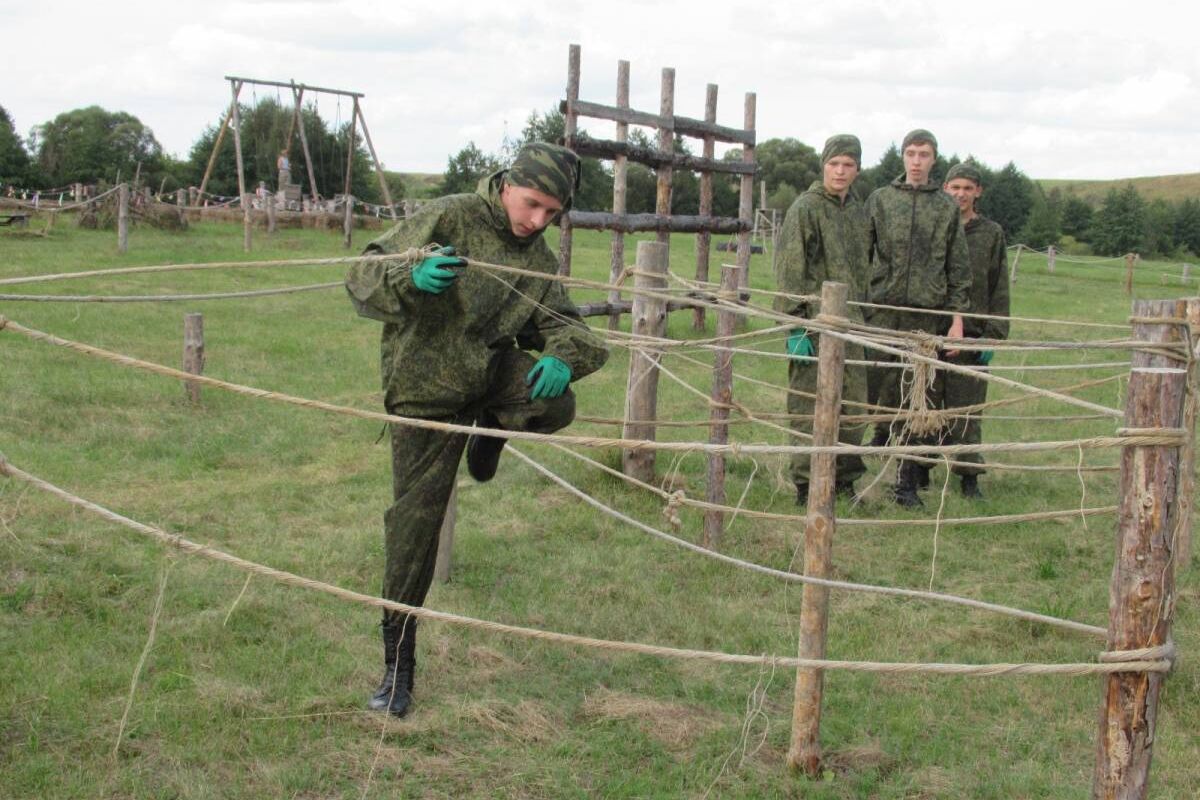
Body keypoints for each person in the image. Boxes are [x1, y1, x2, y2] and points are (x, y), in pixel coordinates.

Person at [344, 142, 609, 717]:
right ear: (509, 182)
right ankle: (397, 668)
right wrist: (412, 278)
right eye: (532, 203)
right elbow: (361, 275)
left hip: (488, 379)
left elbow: (572, 329)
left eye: (552, 214)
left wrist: (565, 354)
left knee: (556, 401)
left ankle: (492, 426)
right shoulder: (452, 214)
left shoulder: (536, 261)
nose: (537, 221)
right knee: (415, 525)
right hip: (425, 392)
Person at [866, 128, 971, 508]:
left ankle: (906, 483)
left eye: (923, 154)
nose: (915, 161)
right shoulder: (880, 200)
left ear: (933, 159)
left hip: (927, 315)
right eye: (910, 153)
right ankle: (854, 467)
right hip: (882, 311)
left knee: (918, 396)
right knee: (872, 386)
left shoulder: (945, 208)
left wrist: (956, 318)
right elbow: (863, 255)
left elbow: (958, 266)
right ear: (902, 157)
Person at [774, 134, 870, 504]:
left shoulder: (860, 212)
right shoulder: (806, 208)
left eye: (848, 164)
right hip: (813, 325)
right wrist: (795, 325)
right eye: (834, 164)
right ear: (823, 166)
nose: (840, 171)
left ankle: (844, 480)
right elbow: (789, 269)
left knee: (854, 407)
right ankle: (805, 483)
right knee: (807, 405)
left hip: (853, 324)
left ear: (857, 169)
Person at [940, 160, 1009, 498]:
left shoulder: (991, 234)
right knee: (928, 403)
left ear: (978, 192)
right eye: (955, 187)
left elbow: (999, 286)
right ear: (945, 189)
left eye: (968, 188)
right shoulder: (935, 226)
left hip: (974, 331)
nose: (961, 194)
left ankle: (968, 476)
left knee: (967, 408)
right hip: (934, 328)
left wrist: (994, 334)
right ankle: (918, 470)